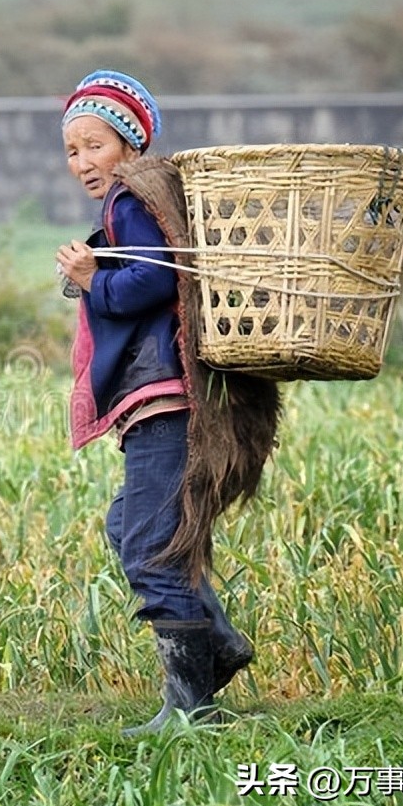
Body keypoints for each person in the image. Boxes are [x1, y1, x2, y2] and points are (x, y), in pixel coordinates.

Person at [54, 70, 282, 737]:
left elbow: (153, 278)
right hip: (166, 399)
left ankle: (192, 707)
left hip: (165, 401)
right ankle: (219, 643)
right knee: (130, 526)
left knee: (150, 547)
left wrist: (93, 278)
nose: (82, 162)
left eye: (94, 144)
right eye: (72, 151)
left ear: (127, 143)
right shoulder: (141, 199)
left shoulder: (131, 198)